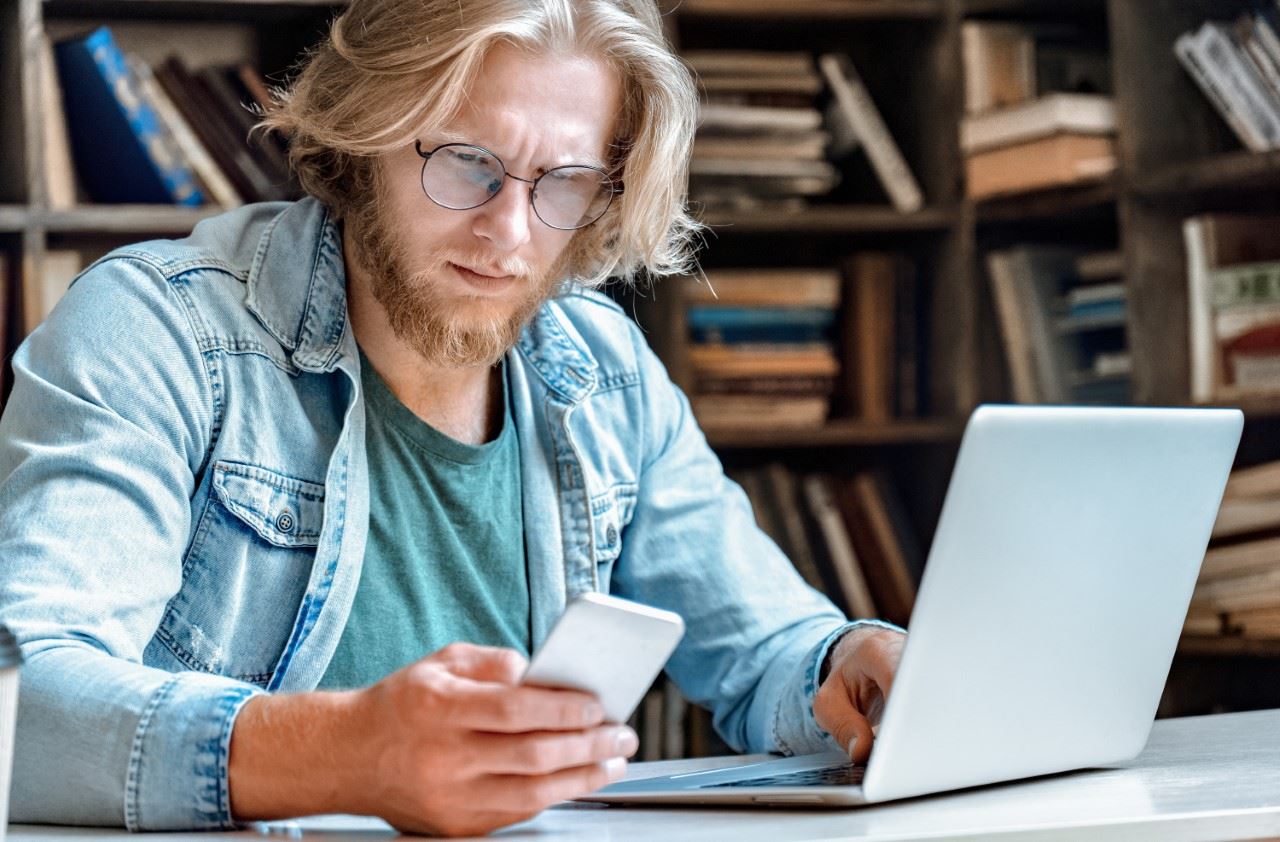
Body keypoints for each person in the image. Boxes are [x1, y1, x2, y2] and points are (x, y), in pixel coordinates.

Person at [0, 0, 906, 836]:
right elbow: (23, 704)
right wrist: (344, 754)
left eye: (565, 180)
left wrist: (846, 664)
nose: (510, 232)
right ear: (364, 136)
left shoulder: (605, 372)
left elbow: (769, 649)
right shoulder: (158, 331)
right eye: (470, 163)